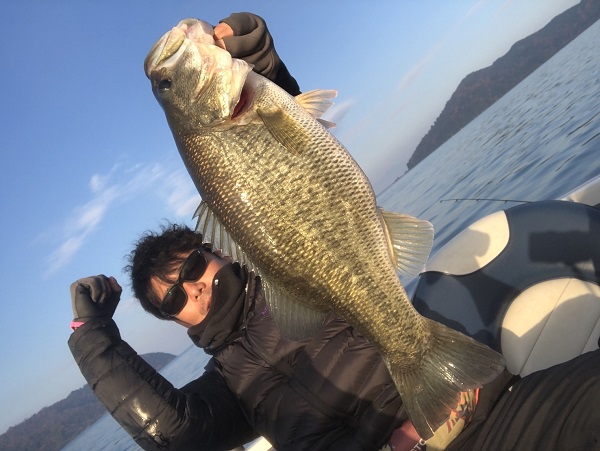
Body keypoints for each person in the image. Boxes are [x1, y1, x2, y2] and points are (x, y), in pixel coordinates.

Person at [68, 13, 600, 451]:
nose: (193, 289)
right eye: (173, 299)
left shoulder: (293, 282)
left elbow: (294, 146)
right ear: (173, 319)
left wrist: (258, 60)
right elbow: (176, 435)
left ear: (220, 249)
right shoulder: (226, 388)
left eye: (190, 268)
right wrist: (93, 337)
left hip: (486, 420)